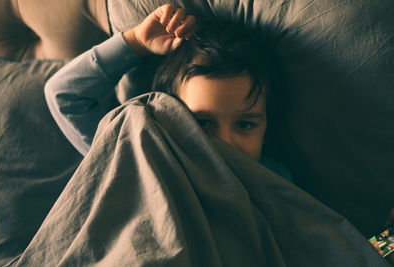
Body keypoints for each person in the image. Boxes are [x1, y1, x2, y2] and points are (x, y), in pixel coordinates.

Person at [44, 4, 291, 180]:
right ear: (167, 118)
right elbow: (65, 95)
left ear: (266, 130)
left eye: (245, 125)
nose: (225, 143)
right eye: (202, 122)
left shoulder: (274, 181)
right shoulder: (142, 161)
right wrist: (136, 43)